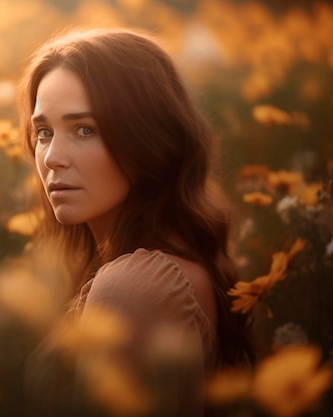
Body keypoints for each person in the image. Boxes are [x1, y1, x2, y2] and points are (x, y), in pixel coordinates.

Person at [17, 28, 253, 417]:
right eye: (44, 132)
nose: (52, 157)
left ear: (148, 141)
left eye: (84, 129)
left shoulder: (136, 285)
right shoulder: (163, 265)